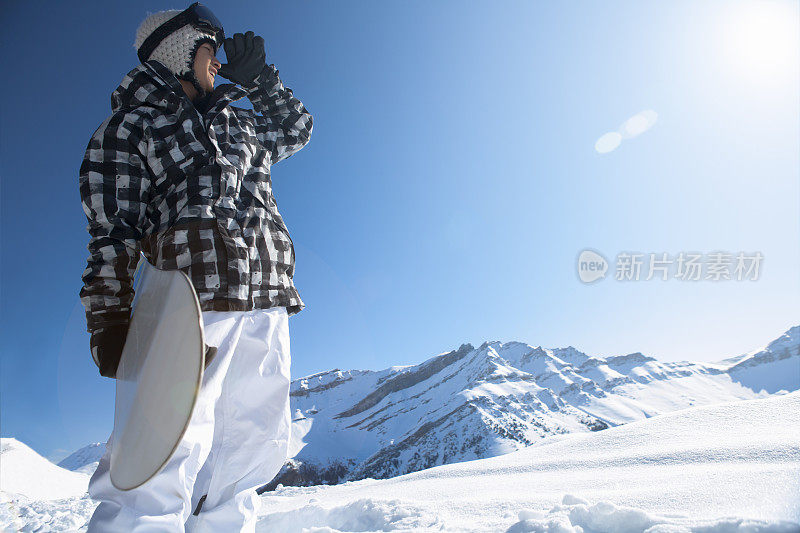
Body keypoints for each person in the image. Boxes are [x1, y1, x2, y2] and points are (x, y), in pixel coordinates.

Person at [78, 3, 312, 531]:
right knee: (159, 454)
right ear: (179, 52)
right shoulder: (133, 126)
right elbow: (112, 229)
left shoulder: (239, 119)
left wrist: (262, 80)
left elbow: (296, 130)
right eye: (212, 46)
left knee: (248, 452)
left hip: (265, 297)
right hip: (190, 298)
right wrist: (108, 318)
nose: (220, 58)